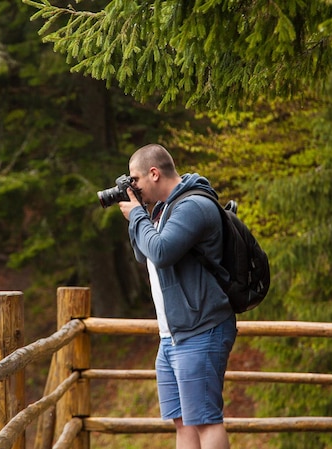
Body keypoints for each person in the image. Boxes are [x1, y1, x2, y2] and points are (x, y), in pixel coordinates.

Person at [118, 143, 237, 449]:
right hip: (172, 335)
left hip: (201, 328)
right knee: (183, 421)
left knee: (206, 421)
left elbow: (160, 251)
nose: (134, 187)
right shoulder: (163, 209)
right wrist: (140, 216)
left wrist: (136, 217)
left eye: (136, 179)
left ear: (154, 173)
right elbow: (144, 256)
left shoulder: (193, 205)